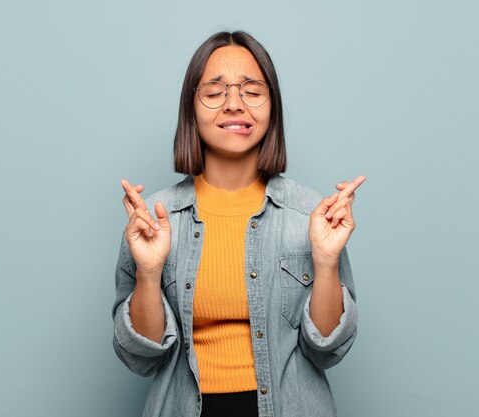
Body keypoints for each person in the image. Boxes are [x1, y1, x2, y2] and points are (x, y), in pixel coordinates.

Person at [112, 31, 365, 417]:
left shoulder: (311, 214)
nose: (234, 105)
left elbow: (327, 349)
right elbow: (141, 357)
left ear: (272, 106)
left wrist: (327, 261)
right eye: (214, 93)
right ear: (191, 108)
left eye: (252, 91)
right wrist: (148, 273)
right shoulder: (154, 218)